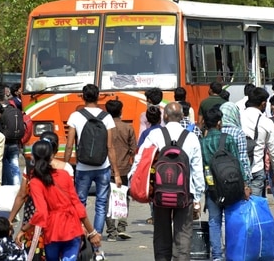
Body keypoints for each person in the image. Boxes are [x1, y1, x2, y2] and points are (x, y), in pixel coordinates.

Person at [130, 102, 204, 261]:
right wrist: (197, 198)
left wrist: (133, 181)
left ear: (164, 116)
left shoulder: (155, 135)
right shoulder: (191, 137)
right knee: (183, 235)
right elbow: (197, 170)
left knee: (161, 234)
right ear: (183, 117)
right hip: (186, 194)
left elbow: (140, 160)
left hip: (159, 193)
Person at [16, 140, 102, 261]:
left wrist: (23, 229)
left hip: (52, 230)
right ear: (52, 156)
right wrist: (92, 232)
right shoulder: (64, 175)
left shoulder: (35, 181)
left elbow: (41, 213)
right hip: (72, 227)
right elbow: (77, 205)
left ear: (33, 157)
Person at [63, 84, 121, 259]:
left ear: (83, 97)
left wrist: (65, 166)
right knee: (101, 204)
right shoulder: (107, 117)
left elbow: (69, 145)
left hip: (82, 167)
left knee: (79, 203)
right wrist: (116, 172)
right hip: (103, 167)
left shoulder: (75, 116)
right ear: (98, 97)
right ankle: (97, 246)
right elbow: (110, 147)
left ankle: (81, 239)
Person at [8, 131, 74, 259]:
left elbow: (22, 195)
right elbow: (72, 199)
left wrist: (10, 220)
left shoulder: (30, 168)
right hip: (59, 223)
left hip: (33, 223)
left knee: (33, 255)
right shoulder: (66, 168)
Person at [200, 107, 250, 261]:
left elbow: (202, 166)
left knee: (214, 221)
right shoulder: (227, 139)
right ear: (219, 122)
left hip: (212, 187)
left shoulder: (202, 142)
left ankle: (216, 256)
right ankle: (232, 253)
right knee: (231, 219)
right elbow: (237, 163)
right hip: (231, 186)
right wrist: (245, 185)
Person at [104, 100, 137, 242]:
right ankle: (122, 226)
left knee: (107, 199)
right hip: (124, 169)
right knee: (122, 197)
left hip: (107, 168)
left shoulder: (104, 128)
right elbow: (133, 149)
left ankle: (111, 232)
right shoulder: (128, 128)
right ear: (121, 111)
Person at [241, 87, 274, 197]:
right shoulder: (266, 122)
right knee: (255, 206)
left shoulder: (237, 117)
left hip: (238, 171)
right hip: (256, 169)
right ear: (263, 104)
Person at [0, 83, 22, 186]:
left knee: (3, 167)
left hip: (2, 142)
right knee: (15, 166)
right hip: (14, 142)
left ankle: (5, 188)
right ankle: (17, 187)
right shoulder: (12, 106)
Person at [219, 102, 251, 184]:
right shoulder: (238, 132)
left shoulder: (217, 130)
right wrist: (247, 178)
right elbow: (243, 157)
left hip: (218, 173)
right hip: (235, 175)